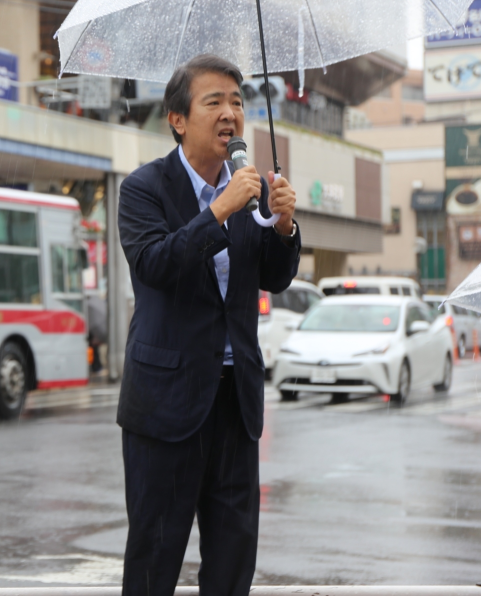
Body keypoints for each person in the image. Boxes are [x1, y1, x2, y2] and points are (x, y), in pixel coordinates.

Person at [116, 54, 299, 595]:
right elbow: (155, 265)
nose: (230, 114)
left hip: (235, 404)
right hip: (165, 405)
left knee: (232, 564)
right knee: (153, 562)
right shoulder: (143, 188)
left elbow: (275, 278)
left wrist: (284, 225)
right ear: (177, 119)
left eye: (237, 102)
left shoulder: (253, 189)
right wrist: (218, 210)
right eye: (214, 101)